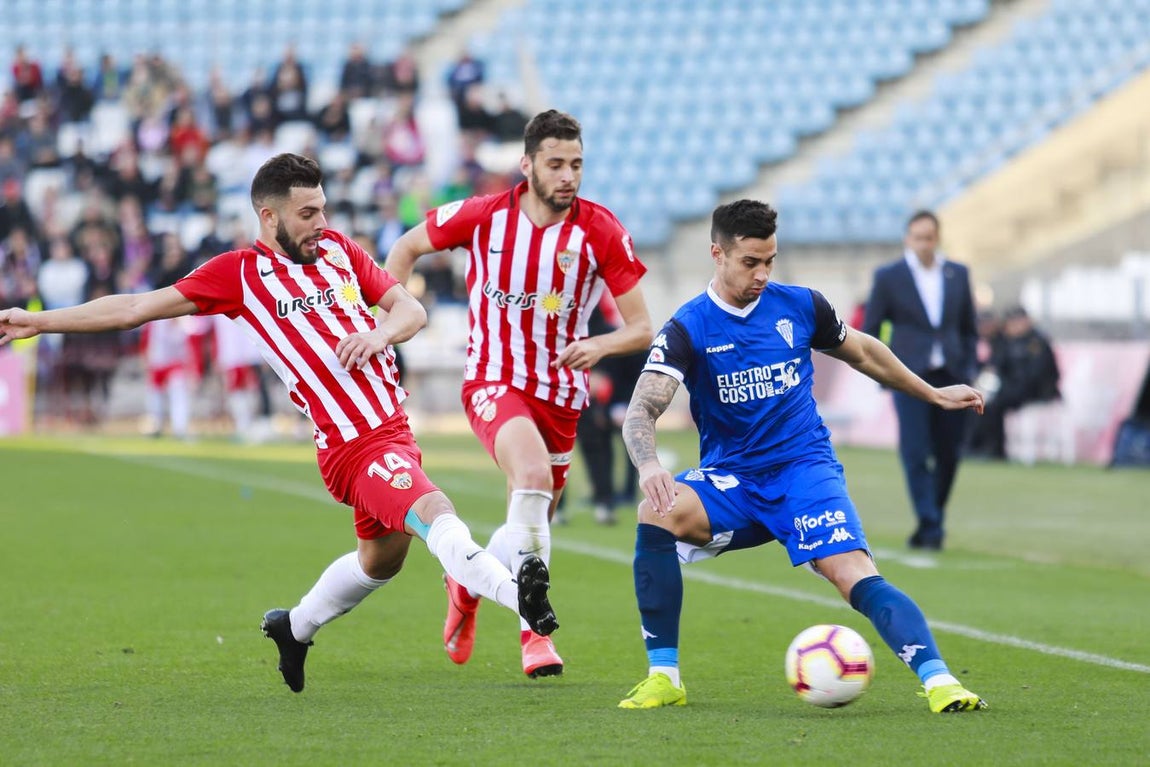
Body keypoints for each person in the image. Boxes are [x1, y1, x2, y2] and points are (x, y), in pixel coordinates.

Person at [0, 153, 558, 693]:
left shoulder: (340, 251)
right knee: (437, 512)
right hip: (351, 445)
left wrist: (378, 334)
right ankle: (522, 601)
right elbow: (134, 308)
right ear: (269, 217)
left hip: (393, 431)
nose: (322, 223)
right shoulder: (240, 275)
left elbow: (410, 310)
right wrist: (39, 321)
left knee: (380, 562)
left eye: (323, 209)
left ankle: (294, 628)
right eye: (307, 214)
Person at [616, 200, 987, 714]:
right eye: (750, 262)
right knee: (657, 511)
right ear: (717, 254)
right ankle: (664, 677)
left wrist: (932, 393)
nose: (763, 274)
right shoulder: (688, 328)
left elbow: (863, 350)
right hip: (733, 481)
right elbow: (641, 409)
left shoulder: (802, 306)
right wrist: (650, 465)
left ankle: (941, 680)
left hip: (804, 472)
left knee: (851, 572)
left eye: (770, 260)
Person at [385, 109, 653, 677]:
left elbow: (641, 327)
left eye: (576, 164)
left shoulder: (599, 230)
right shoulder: (483, 217)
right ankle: (535, 635)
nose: (568, 176)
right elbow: (406, 248)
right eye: (556, 164)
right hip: (493, 380)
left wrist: (600, 347)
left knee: (533, 516)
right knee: (529, 478)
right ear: (527, 165)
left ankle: (465, 582)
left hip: (560, 393)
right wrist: (390, 313)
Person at [863, 210, 979, 551]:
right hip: (909, 377)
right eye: (918, 237)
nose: (924, 244)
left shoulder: (958, 274)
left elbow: (969, 328)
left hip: (952, 375)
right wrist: (882, 371)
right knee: (915, 453)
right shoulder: (889, 276)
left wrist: (968, 366)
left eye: (929, 237)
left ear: (937, 238)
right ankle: (930, 525)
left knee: (949, 453)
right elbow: (871, 329)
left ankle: (933, 518)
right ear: (907, 239)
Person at [969, 306, 1061, 460]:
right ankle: (976, 445)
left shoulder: (1037, 342)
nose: (1013, 326)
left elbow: (1039, 374)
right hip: (1011, 387)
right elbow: (995, 366)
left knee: (994, 404)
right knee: (979, 401)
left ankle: (995, 450)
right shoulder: (1006, 342)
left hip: (1037, 392)